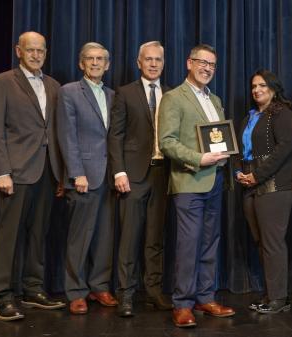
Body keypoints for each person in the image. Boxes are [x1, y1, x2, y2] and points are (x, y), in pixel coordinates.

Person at [0, 31, 65, 321]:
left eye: (40, 50)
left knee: (38, 234)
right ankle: (3, 296)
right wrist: (1, 171)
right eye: (30, 50)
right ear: (19, 51)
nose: (36, 55)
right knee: (9, 236)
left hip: (47, 172)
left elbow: (55, 134)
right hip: (16, 172)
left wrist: (61, 175)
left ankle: (33, 289)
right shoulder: (2, 82)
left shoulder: (54, 86)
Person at [158, 44, 235, 328]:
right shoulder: (173, 98)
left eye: (212, 65)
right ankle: (183, 303)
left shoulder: (214, 99)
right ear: (189, 63)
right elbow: (167, 142)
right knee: (188, 245)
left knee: (209, 242)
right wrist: (198, 158)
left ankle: (206, 296)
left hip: (216, 180)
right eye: (202, 62)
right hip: (189, 181)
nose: (207, 68)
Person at [108, 41, 173, 317]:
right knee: (130, 238)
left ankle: (154, 291)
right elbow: (116, 135)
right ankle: (126, 294)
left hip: (163, 174)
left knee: (155, 238)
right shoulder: (124, 93)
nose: (154, 64)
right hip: (133, 176)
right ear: (139, 62)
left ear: (163, 62)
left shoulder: (172, 94)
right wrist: (119, 171)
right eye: (149, 59)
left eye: (158, 59)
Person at [57, 42, 117, 314]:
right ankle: (76, 290)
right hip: (83, 177)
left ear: (107, 65)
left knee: (104, 236)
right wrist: (76, 172)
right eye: (90, 59)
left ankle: (99, 286)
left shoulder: (113, 95)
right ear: (81, 64)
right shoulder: (69, 92)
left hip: (109, 178)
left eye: (100, 59)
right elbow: (67, 136)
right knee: (80, 237)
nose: (95, 63)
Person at [236, 70, 292, 314]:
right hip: (249, 184)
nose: (257, 90)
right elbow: (240, 151)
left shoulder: (283, 113)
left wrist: (258, 175)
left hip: (274, 186)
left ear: (273, 88)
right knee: (261, 242)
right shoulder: (250, 117)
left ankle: (279, 298)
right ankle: (271, 293)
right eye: (254, 86)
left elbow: (284, 150)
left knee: (273, 243)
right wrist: (238, 173)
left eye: (262, 85)